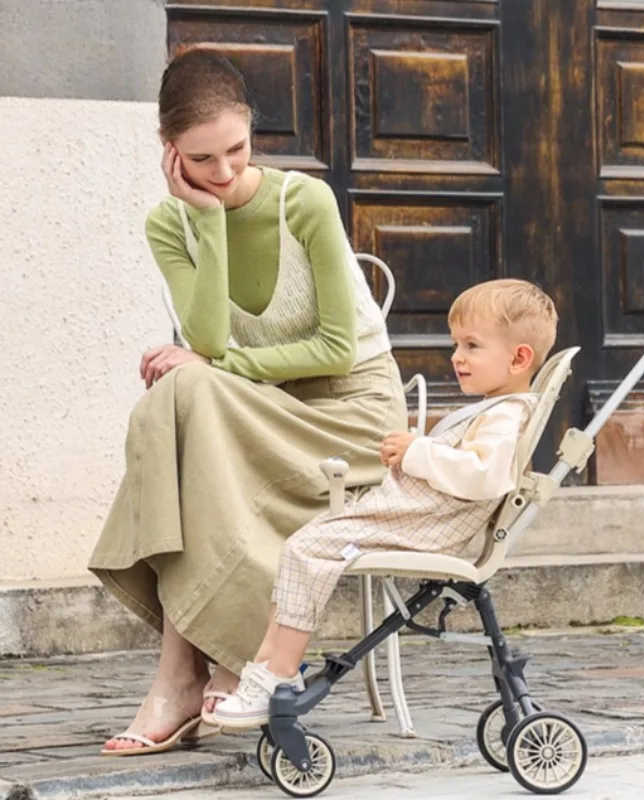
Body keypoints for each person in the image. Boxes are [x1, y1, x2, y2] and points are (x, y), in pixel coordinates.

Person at [89, 47, 408, 755]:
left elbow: (334, 350)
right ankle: (202, 664)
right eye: (202, 161)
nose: (225, 173)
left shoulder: (304, 201)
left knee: (190, 395)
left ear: (251, 134)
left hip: (349, 418)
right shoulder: (169, 224)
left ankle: (181, 674)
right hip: (253, 414)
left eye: (236, 150)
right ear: (170, 155)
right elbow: (201, 336)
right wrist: (203, 219)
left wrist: (220, 364)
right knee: (180, 395)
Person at [209, 278, 559, 729]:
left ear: (519, 358)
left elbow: (483, 475)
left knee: (307, 550)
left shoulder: (507, 415)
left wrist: (417, 451)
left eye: (472, 345)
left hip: (425, 524)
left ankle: (278, 676)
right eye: (456, 344)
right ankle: (269, 668)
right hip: (415, 517)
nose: (458, 356)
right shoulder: (494, 408)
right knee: (303, 546)